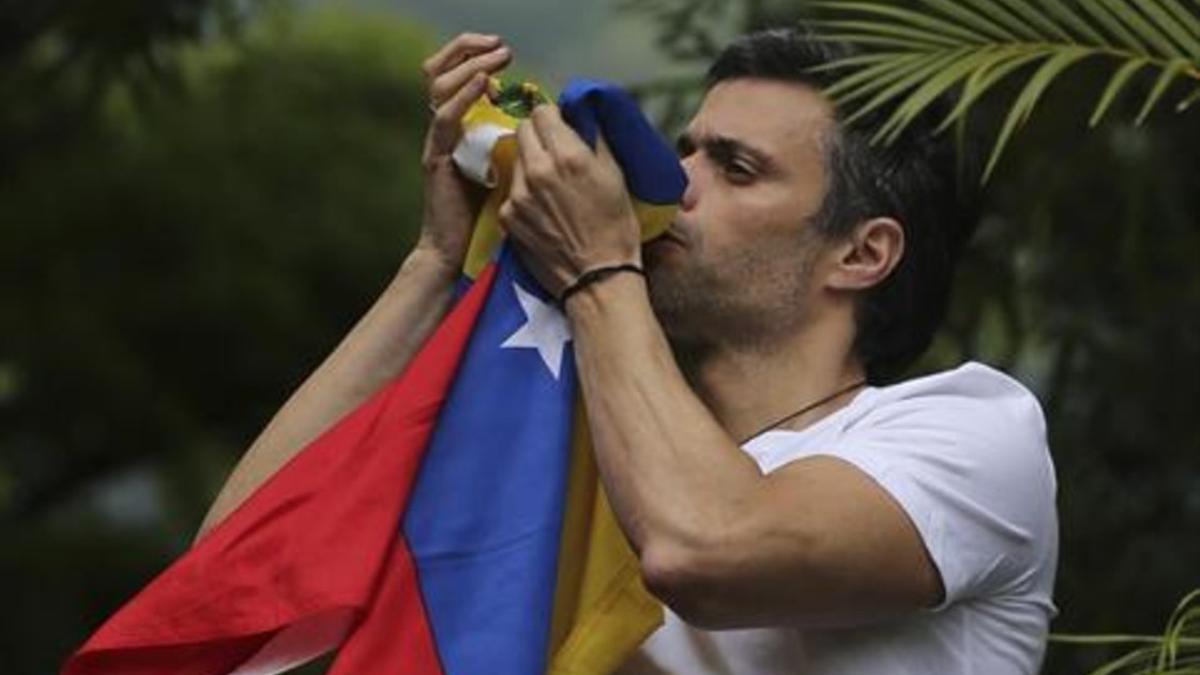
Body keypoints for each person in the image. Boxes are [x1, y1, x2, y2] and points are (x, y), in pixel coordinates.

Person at [199, 27, 1058, 675]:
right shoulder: (587, 447)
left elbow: (705, 548)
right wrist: (433, 263)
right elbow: (240, 563)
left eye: (737, 168)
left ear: (862, 253)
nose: (674, 183)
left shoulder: (971, 432)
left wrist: (600, 266)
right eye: (685, 147)